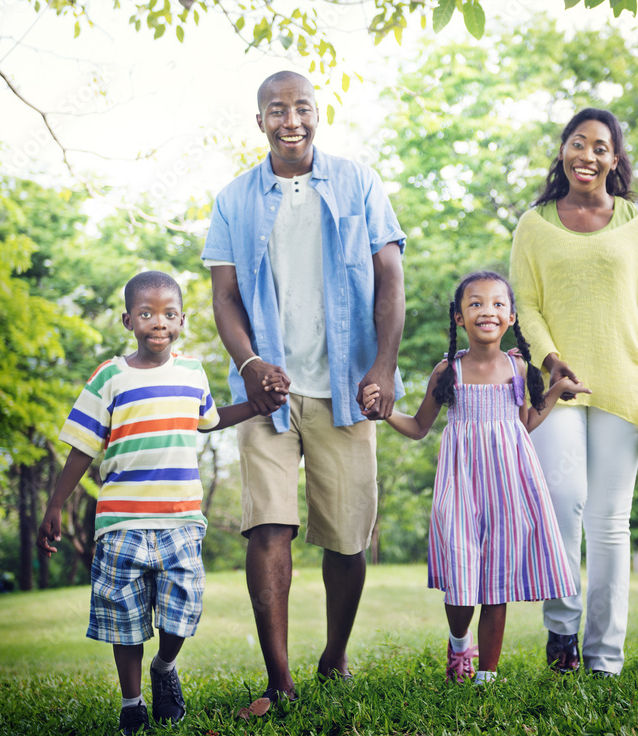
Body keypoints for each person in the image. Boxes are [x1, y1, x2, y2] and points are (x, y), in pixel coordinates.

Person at [200, 70, 406, 709]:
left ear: (318, 114)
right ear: (259, 119)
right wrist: (252, 362)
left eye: (302, 108)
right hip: (270, 394)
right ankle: (279, 677)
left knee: (347, 537)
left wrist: (381, 368)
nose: (291, 120)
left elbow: (391, 279)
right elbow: (226, 296)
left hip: (347, 387)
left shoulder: (357, 182)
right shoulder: (235, 199)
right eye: (276, 110)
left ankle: (335, 654)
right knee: (268, 527)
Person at [36, 271, 274, 735]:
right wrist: (55, 504)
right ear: (128, 320)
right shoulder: (110, 376)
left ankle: (164, 668)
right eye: (146, 313)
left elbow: (209, 419)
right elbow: (83, 445)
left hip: (181, 521)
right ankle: (132, 704)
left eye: (168, 314)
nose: (158, 322)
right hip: (120, 523)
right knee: (123, 620)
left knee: (183, 612)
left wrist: (256, 404)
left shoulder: (192, 373)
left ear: (182, 320)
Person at [509, 108, 638, 677]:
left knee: (610, 520)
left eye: (600, 147)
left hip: (627, 385)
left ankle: (605, 655)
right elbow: (526, 306)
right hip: (559, 388)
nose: (587, 155)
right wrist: (549, 360)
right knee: (561, 504)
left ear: (615, 159)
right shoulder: (534, 224)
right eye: (577, 143)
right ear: (563, 150)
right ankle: (562, 630)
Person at [362, 271, 586, 684]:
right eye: (476, 303)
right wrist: (383, 412)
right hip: (461, 486)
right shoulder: (450, 370)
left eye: (499, 304)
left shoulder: (519, 367)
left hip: (510, 486)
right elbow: (417, 427)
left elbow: (525, 424)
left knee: (496, 584)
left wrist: (555, 392)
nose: (488, 311)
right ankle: (459, 641)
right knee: (463, 576)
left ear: (512, 316)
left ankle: (487, 678)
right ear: (459, 317)